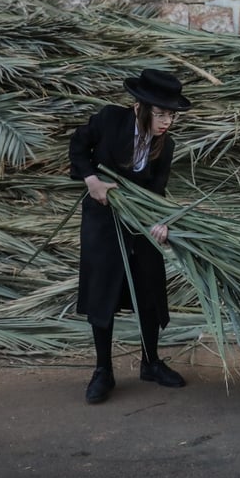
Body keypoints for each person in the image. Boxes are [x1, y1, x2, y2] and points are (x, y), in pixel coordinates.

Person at [69, 68, 193, 404]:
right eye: (161, 113)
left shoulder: (165, 146)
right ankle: (103, 370)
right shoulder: (110, 120)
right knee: (102, 292)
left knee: (149, 288)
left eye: (172, 115)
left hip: (141, 227)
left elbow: (157, 192)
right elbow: (78, 146)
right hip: (104, 222)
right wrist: (92, 181)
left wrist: (162, 222)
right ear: (140, 106)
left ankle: (151, 362)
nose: (167, 122)